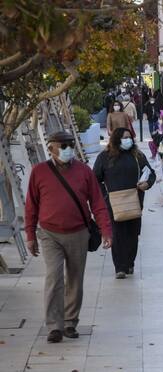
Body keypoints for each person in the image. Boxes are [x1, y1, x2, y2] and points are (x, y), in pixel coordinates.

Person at [24, 131, 112, 343]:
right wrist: (30, 234)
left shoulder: (84, 171)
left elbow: (98, 203)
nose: (67, 149)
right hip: (49, 233)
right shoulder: (39, 172)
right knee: (54, 277)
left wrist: (106, 230)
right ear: (51, 147)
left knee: (75, 279)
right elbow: (31, 205)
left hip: (78, 232)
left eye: (70, 144)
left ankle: (70, 322)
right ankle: (54, 326)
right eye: (62, 145)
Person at [93, 127, 156, 279]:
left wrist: (147, 183)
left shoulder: (137, 156)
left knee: (132, 234)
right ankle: (119, 267)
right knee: (118, 234)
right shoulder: (104, 157)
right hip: (113, 202)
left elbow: (150, 173)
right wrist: (105, 195)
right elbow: (95, 179)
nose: (128, 140)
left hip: (134, 200)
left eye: (130, 137)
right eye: (124, 137)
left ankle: (129, 263)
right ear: (116, 139)